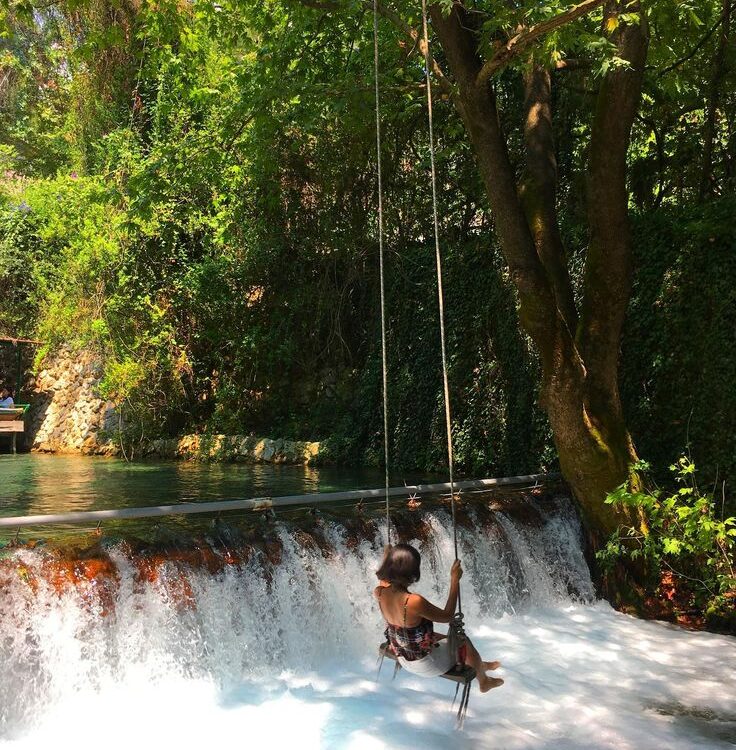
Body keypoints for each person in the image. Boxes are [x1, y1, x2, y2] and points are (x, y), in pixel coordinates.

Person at [374, 543, 503, 692]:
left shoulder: (379, 592)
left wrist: (387, 556)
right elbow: (447, 616)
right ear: (413, 573)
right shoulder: (413, 601)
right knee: (462, 641)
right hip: (428, 664)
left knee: (438, 636)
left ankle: (480, 665)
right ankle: (484, 681)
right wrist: (454, 580)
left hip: (403, 658)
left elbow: (384, 580)